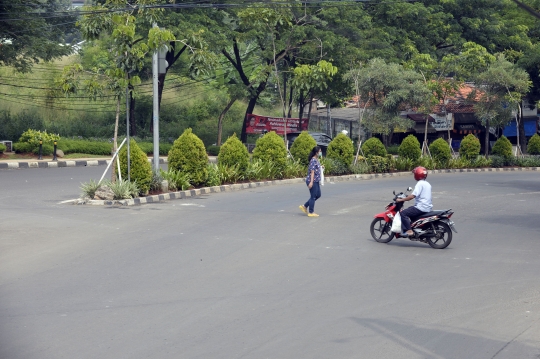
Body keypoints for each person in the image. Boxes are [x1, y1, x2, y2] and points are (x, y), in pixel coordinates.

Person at [396, 166, 432, 237]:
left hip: (421, 207)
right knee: (410, 210)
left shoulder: (420, 184)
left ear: (417, 175)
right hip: (427, 207)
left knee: (403, 213)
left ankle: (409, 231)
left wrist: (400, 199)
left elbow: (412, 196)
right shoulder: (427, 184)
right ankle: (415, 227)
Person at [299, 146, 323, 217]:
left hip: (316, 180)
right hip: (312, 180)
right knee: (313, 196)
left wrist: (321, 167)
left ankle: (305, 206)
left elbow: (316, 169)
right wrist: (311, 182)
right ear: (316, 153)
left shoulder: (316, 159)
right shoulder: (313, 160)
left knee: (318, 195)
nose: (321, 153)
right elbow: (312, 172)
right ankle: (311, 212)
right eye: (320, 151)